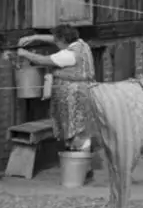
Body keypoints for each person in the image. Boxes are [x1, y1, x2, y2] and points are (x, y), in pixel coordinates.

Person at [16, 24, 97, 152]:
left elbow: (42, 60)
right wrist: (35, 37)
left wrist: (24, 53)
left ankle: (78, 162)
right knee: (80, 128)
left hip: (73, 99)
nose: (55, 42)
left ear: (63, 40)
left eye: (57, 40)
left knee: (76, 131)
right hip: (85, 92)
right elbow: (55, 39)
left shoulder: (67, 55)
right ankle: (79, 161)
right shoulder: (82, 45)